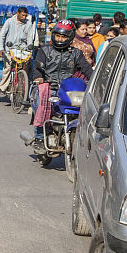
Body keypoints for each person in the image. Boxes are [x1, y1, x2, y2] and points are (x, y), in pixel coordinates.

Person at [29, 19, 93, 153]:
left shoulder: (76, 53)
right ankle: (39, 138)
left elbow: (86, 69)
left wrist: (94, 80)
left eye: (63, 36)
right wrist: (39, 78)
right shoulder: (45, 50)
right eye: (58, 35)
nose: (60, 39)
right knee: (42, 102)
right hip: (48, 88)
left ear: (70, 37)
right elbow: (37, 68)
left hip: (66, 90)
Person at [0, 7, 37, 93]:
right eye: (22, 15)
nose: (24, 17)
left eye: (25, 16)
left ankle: (22, 88)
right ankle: (3, 87)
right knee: (8, 67)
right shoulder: (9, 22)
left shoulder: (28, 23)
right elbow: (2, 36)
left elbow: (29, 37)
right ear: (17, 13)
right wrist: (1, 49)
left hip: (22, 50)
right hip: (9, 49)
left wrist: (30, 50)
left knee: (25, 68)